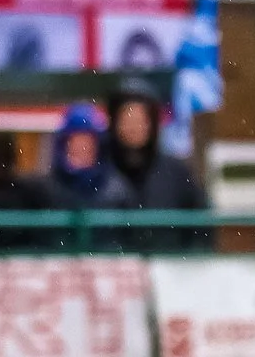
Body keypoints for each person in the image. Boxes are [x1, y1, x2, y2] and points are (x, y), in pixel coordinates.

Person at [104, 79, 209, 249]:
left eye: (140, 120)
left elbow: (200, 228)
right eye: (127, 119)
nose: (133, 127)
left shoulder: (177, 174)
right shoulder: (98, 172)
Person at [19, 103, 136, 242]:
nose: (81, 147)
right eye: (75, 140)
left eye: (88, 141)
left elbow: (131, 241)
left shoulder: (118, 191)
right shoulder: (42, 191)